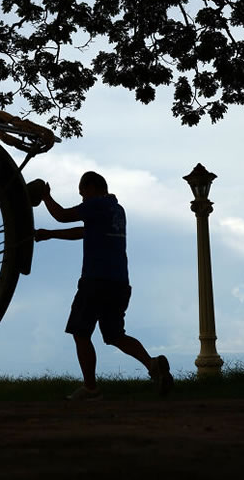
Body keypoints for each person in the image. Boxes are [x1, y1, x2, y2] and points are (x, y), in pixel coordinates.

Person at [34, 171, 174, 400]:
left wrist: (46, 196)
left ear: (92, 188)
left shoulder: (96, 204)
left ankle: (91, 388)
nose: (82, 199)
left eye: (82, 194)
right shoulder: (116, 210)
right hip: (119, 283)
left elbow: (62, 215)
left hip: (95, 281)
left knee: (80, 332)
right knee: (115, 335)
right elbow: (84, 232)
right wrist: (50, 234)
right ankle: (152, 364)